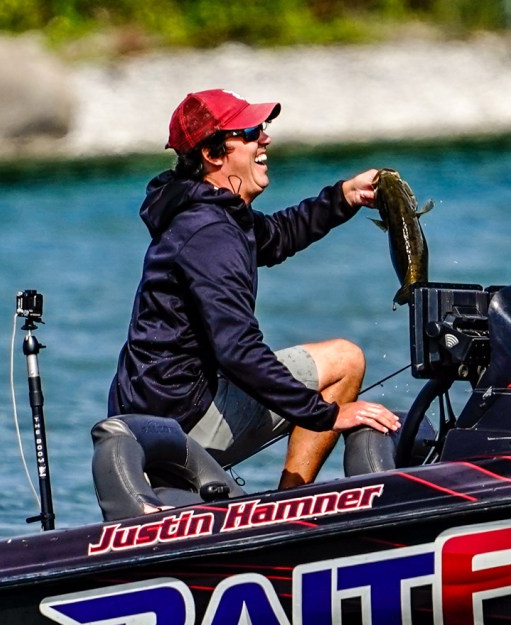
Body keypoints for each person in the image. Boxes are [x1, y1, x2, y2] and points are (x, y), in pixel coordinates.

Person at [108, 88, 400, 489]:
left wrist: (345, 197)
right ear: (212, 154)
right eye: (249, 132)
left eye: (262, 128)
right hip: (181, 422)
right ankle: (290, 505)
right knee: (345, 361)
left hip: (160, 409)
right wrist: (328, 415)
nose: (265, 138)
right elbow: (237, 350)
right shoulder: (210, 233)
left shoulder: (207, 210)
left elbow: (276, 236)